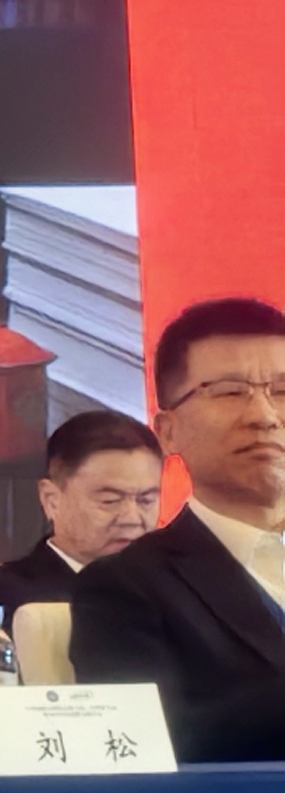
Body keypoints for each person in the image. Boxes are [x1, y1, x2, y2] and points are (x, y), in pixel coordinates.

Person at [69, 297, 285, 762]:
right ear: (168, 432)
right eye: (230, 392)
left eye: (283, 391)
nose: (265, 416)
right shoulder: (123, 587)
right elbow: (150, 740)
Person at [0, 410, 165, 636]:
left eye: (146, 500)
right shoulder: (1, 595)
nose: (132, 519)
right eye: (109, 500)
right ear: (51, 500)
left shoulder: (173, 588)